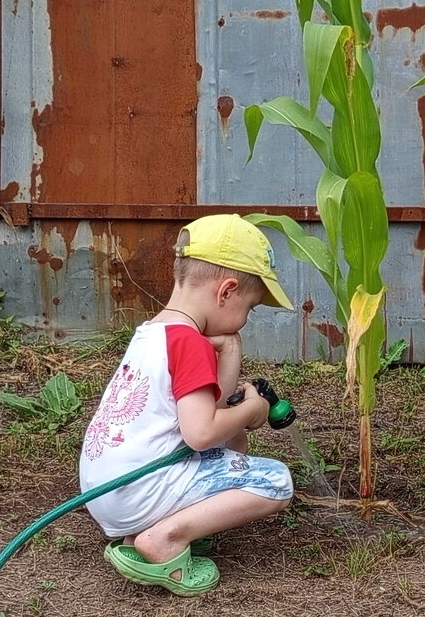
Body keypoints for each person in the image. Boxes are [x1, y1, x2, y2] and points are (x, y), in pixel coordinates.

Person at [78, 214, 295, 596]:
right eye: (250, 307)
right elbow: (202, 433)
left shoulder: (152, 334)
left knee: (231, 445)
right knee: (276, 482)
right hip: (138, 490)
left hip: (107, 492)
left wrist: (230, 351)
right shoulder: (191, 344)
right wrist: (253, 410)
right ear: (226, 291)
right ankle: (166, 537)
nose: (245, 320)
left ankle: (144, 532)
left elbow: (208, 411)